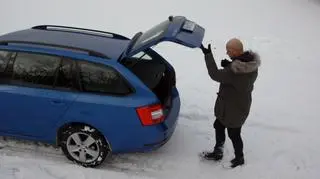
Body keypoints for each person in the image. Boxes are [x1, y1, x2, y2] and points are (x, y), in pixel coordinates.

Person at [199, 38, 261, 168]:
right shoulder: (250, 64)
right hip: (238, 106)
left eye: (229, 51)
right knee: (219, 125)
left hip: (232, 110)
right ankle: (218, 151)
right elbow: (239, 74)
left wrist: (208, 55)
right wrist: (230, 64)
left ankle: (239, 158)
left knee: (234, 134)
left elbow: (215, 74)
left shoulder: (233, 72)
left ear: (236, 51)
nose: (227, 53)